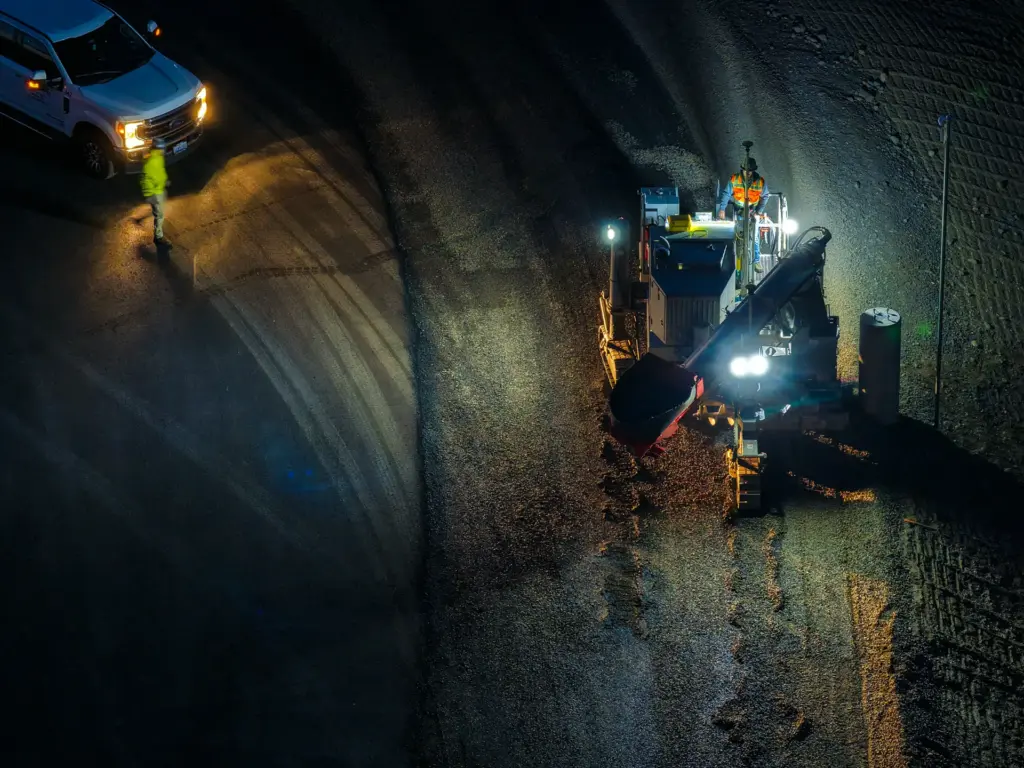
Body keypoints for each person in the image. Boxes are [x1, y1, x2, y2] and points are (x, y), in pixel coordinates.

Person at [718, 156, 768, 273]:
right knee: (740, 236)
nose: (748, 173)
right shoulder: (735, 179)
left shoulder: (760, 182)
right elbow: (726, 194)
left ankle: (756, 261)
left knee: (754, 236)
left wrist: (759, 211)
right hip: (739, 210)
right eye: (746, 171)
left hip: (752, 211)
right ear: (742, 169)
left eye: (750, 171)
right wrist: (722, 209)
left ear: (754, 170)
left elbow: (765, 196)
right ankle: (738, 265)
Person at [140, 137, 170, 248]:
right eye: (162, 148)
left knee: (160, 213)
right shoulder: (151, 161)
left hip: (159, 190)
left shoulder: (158, 157)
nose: (164, 150)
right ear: (158, 148)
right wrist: (149, 195)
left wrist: (164, 180)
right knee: (160, 215)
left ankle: (158, 230)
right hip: (155, 193)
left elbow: (159, 172)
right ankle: (158, 237)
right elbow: (145, 180)